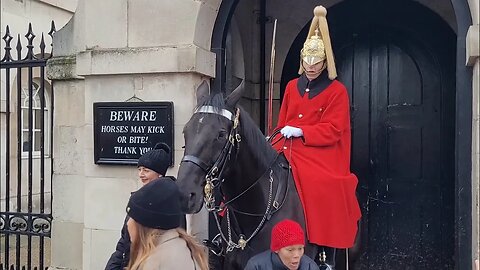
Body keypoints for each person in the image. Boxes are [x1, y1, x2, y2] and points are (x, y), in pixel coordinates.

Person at [271, 6, 361, 269]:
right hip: (288, 147)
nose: (311, 68)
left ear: (325, 62)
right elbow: (282, 122)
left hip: (322, 152)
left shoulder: (337, 91)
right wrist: (276, 137)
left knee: (322, 184)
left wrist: (302, 131)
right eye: (307, 62)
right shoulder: (291, 87)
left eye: (316, 62)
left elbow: (335, 129)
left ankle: (326, 252)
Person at [105, 143, 171, 270]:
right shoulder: (137, 199)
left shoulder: (170, 202)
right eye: (139, 169)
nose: (141, 174)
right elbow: (124, 240)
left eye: (146, 170)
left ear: (160, 174)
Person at [125, 177, 209, 270]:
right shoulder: (185, 248)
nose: (128, 224)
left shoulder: (154, 262)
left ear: (144, 224)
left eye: (132, 218)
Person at [244, 219, 319, 270]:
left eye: (300, 248)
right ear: (276, 249)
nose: (297, 255)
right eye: (290, 250)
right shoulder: (256, 266)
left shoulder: (310, 266)